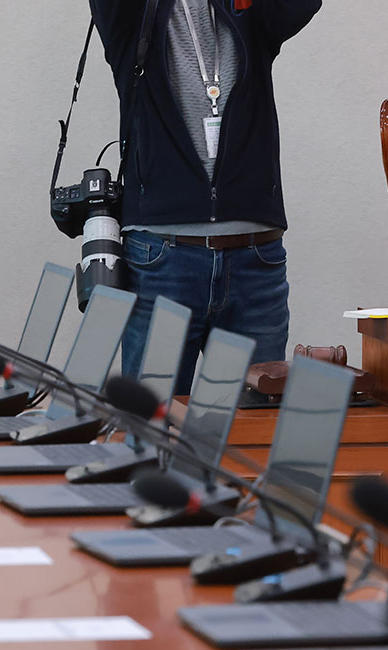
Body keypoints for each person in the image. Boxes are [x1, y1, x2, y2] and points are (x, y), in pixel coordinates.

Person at [89, 0, 321, 394]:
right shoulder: (135, 16)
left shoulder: (246, 10)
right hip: (163, 259)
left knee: (247, 437)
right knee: (151, 434)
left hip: (256, 262)